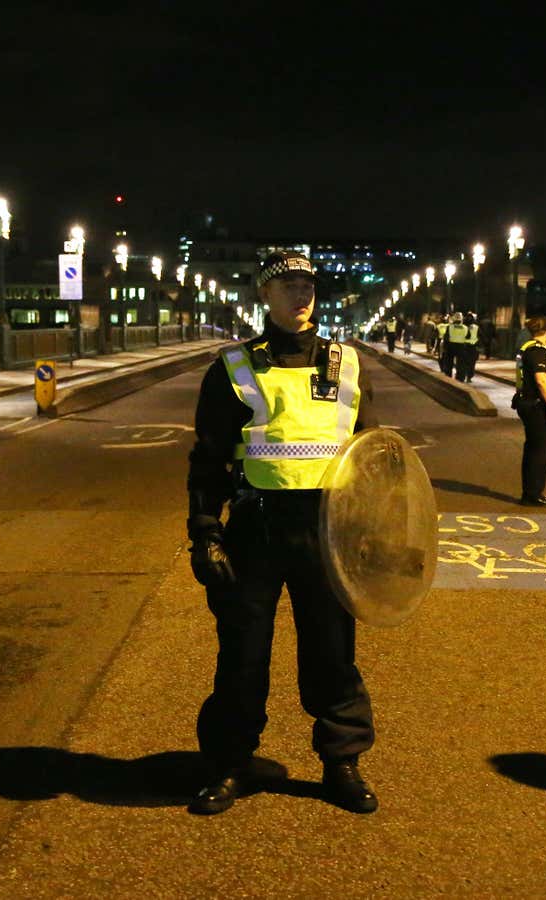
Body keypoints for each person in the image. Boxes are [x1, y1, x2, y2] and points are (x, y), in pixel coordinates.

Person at [185, 250, 379, 816]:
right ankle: (229, 764)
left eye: (308, 284)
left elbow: (372, 460)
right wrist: (205, 531)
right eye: (288, 284)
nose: (301, 294)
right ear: (264, 296)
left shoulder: (348, 364)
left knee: (333, 654)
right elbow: (209, 459)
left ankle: (342, 763)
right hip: (256, 528)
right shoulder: (234, 367)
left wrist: (373, 530)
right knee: (242, 656)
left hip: (327, 531)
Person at [513, 316, 546, 505]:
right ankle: (533, 495)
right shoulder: (537, 352)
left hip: (526, 402)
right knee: (540, 452)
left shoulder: (530, 349)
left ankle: (531, 492)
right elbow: (541, 381)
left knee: (533, 449)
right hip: (537, 405)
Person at [442, 313, 466, 378]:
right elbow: (468, 336)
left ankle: (448, 376)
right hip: (461, 347)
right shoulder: (465, 327)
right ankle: (460, 377)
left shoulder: (449, 327)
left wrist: (444, 347)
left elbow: (446, 337)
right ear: (461, 319)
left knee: (449, 363)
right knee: (461, 363)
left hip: (451, 346)